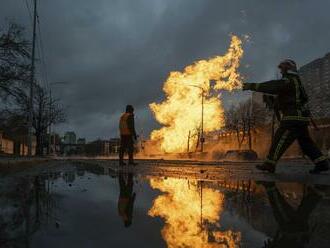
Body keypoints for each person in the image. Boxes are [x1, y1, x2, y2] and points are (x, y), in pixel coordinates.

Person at [243, 59, 329, 174]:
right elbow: (289, 101)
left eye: (282, 68)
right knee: (306, 143)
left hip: (293, 119)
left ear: (288, 68)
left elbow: (274, 86)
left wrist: (251, 86)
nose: (281, 71)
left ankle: (270, 164)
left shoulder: (289, 80)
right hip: (300, 118)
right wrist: (273, 102)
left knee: (279, 140)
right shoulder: (296, 82)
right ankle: (322, 163)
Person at [259, 181, 322, 247]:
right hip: (292, 231)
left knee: (301, 214)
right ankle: (270, 187)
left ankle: (316, 193)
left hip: (297, 235)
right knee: (280, 211)